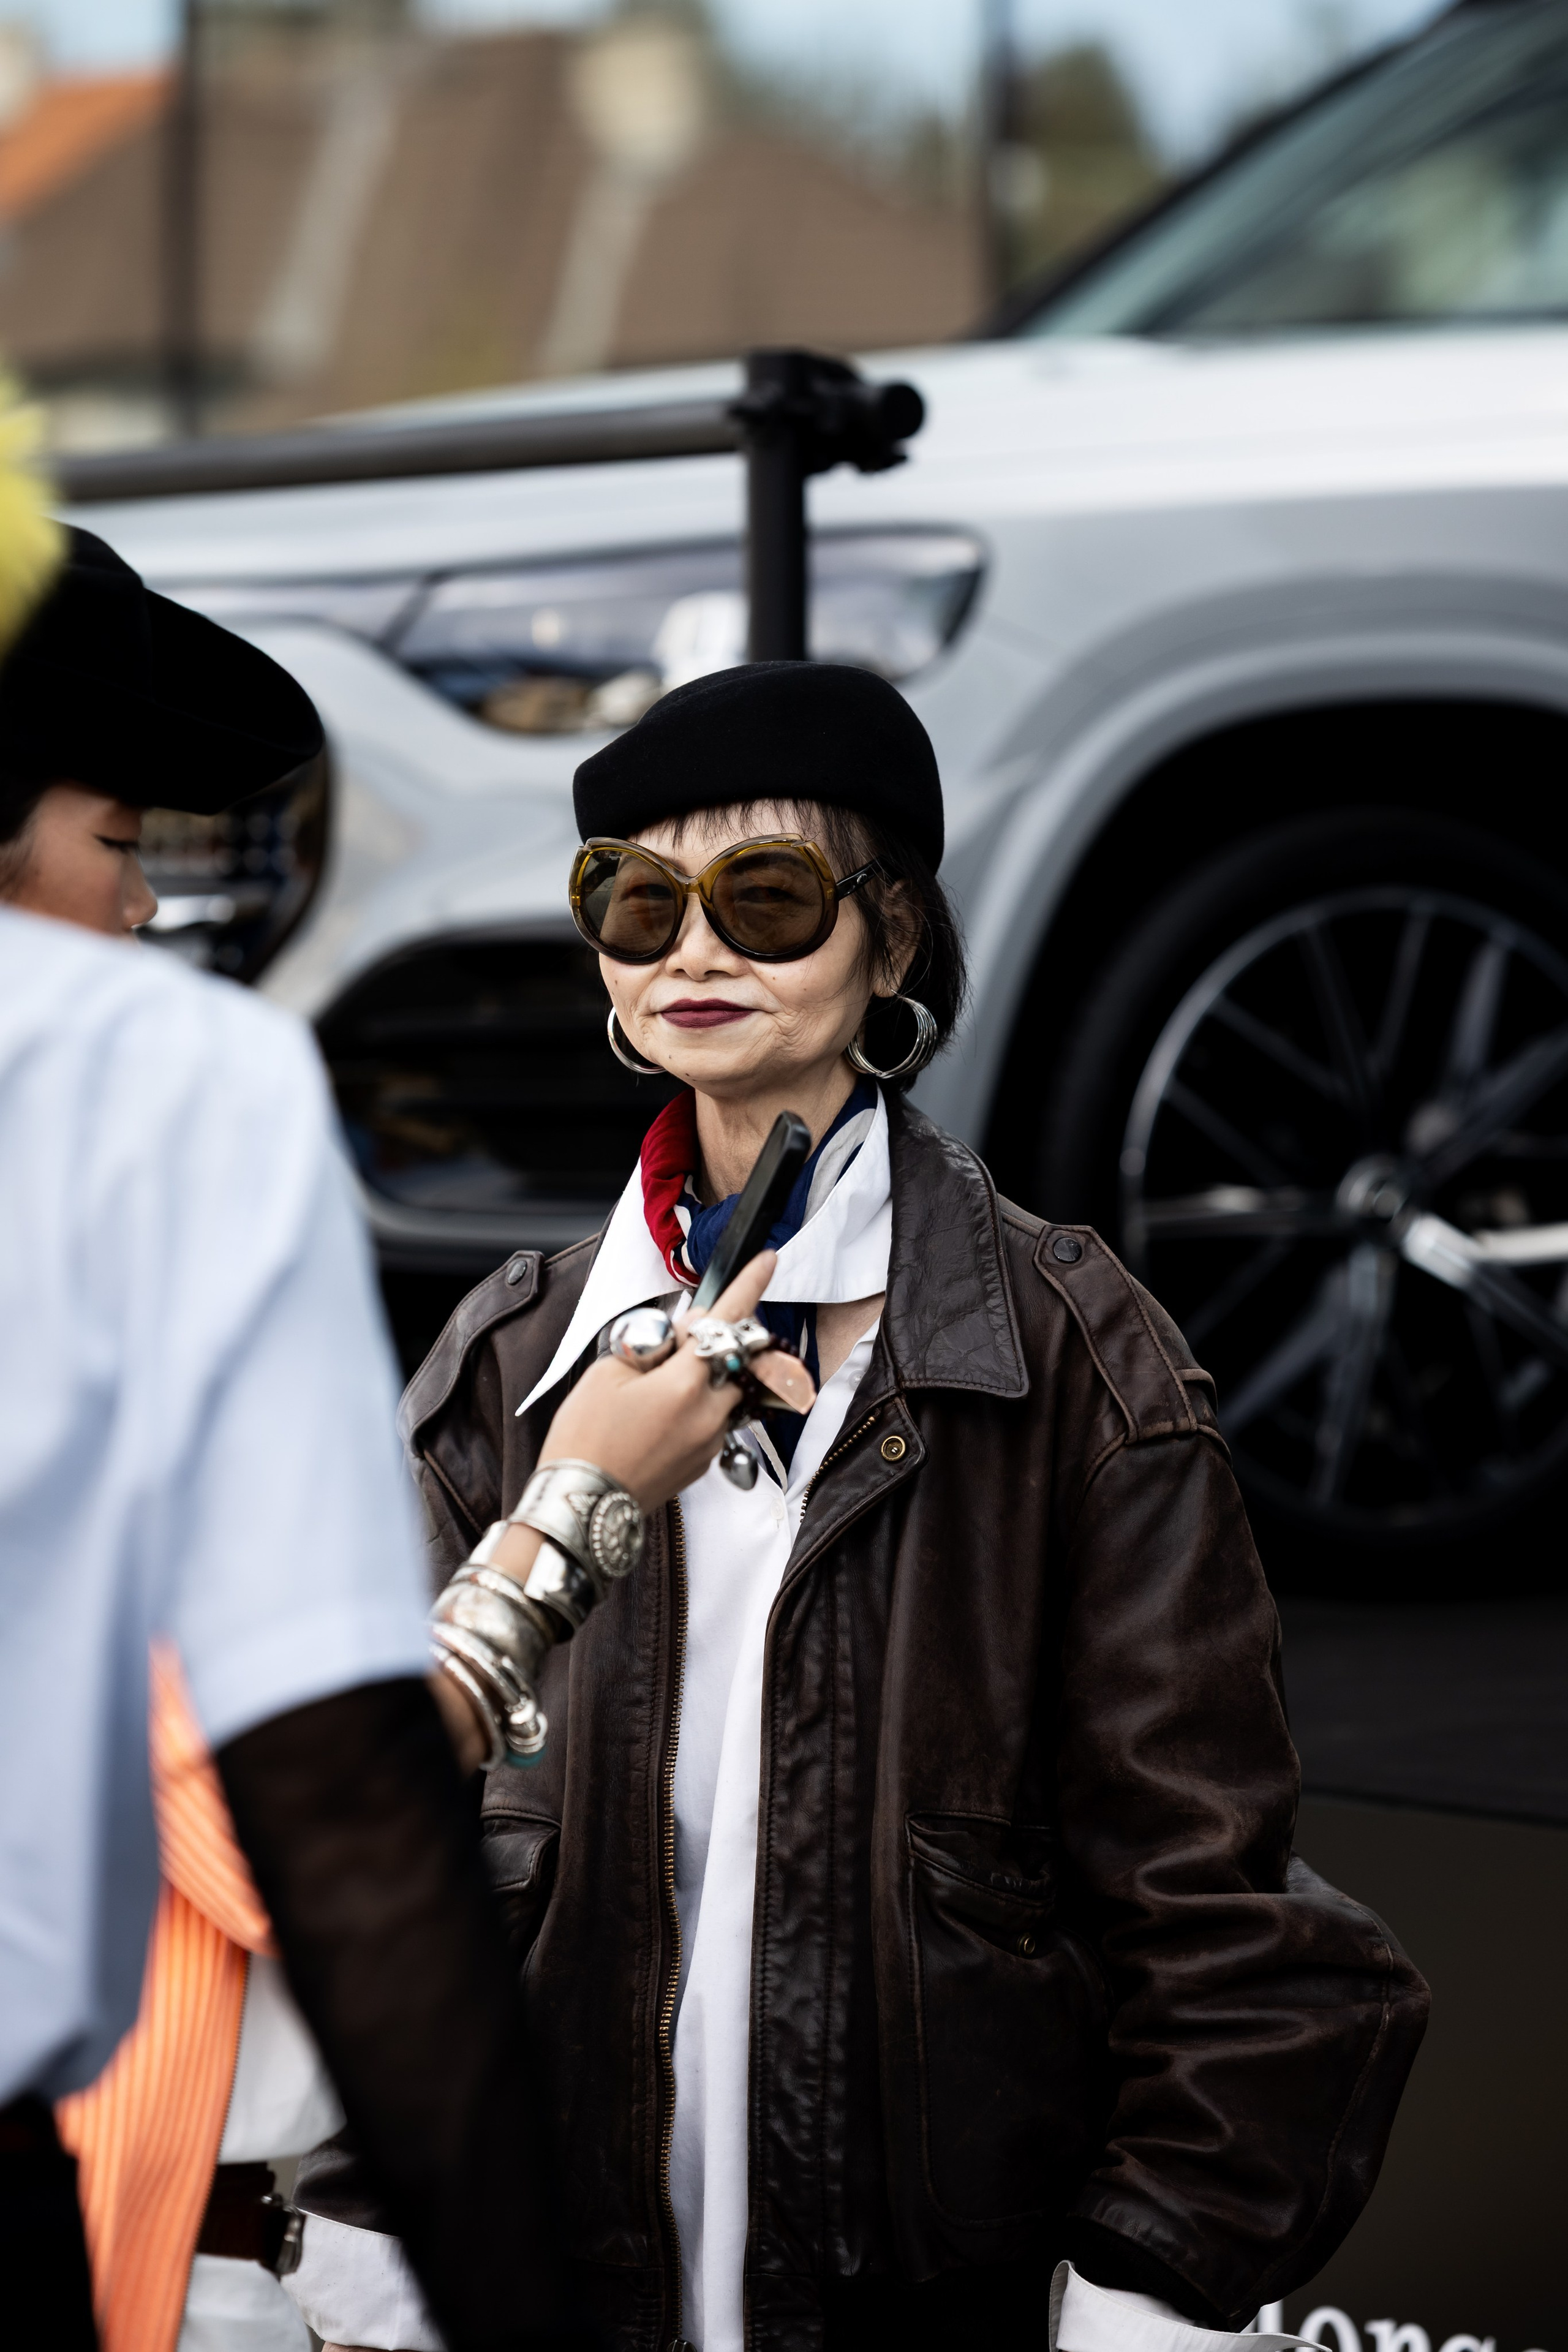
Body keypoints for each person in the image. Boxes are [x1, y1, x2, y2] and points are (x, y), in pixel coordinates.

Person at [296, 660, 1430, 2352]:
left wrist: (1139, 2291)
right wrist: (374, 2260)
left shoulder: (1073, 1354)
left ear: (892, 941)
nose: (691, 951)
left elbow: (1216, 1917)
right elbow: (379, 1872)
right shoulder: (508, 1357)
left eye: (764, 898)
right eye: (635, 901)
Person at [0, 526, 793, 2352]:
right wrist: (571, 1519)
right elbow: (289, 1817)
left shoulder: (1061, 1332)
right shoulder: (168, 1143)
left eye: (770, 898)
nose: (145, 909)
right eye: (120, 841)